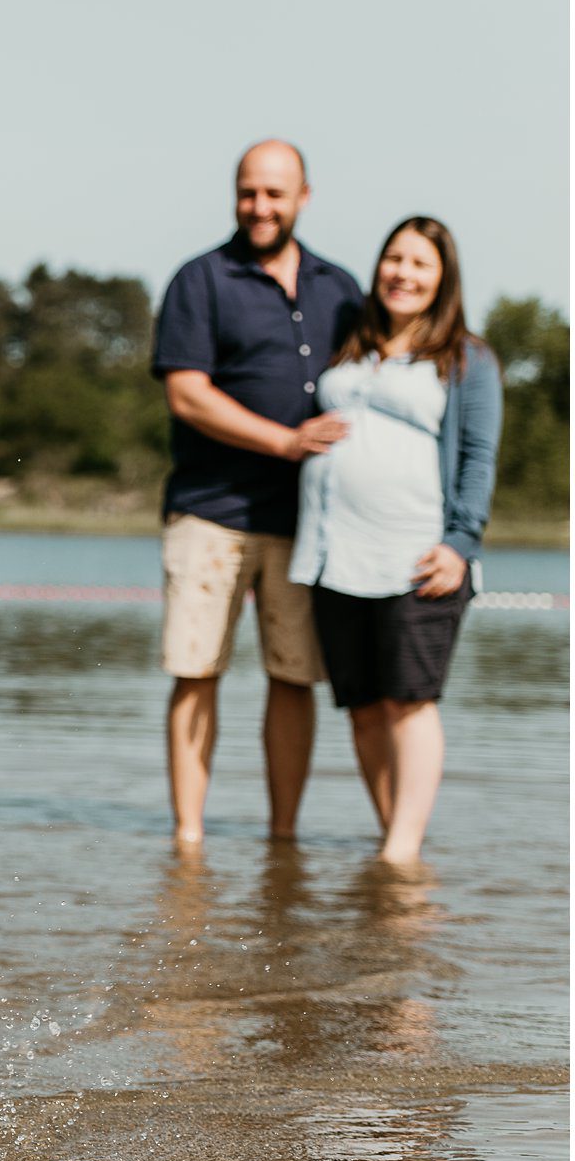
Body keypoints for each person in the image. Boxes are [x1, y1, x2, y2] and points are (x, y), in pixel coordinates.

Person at [151, 139, 365, 847]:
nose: (260, 206)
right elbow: (187, 394)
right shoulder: (200, 279)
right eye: (248, 192)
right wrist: (285, 441)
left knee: (295, 676)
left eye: (275, 193)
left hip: (307, 520)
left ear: (304, 197)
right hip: (209, 510)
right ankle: (187, 841)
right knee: (196, 671)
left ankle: (283, 838)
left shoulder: (341, 288)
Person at [289, 217, 502, 865]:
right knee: (361, 708)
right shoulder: (348, 346)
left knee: (411, 703)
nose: (402, 274)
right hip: (333, 557)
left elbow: (478, 456)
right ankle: (394, 841)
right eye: (394, 259)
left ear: (443, 279)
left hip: (417, 558)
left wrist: (460, 543)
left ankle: (401, 856)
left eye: (419, 264)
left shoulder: (467, 359)